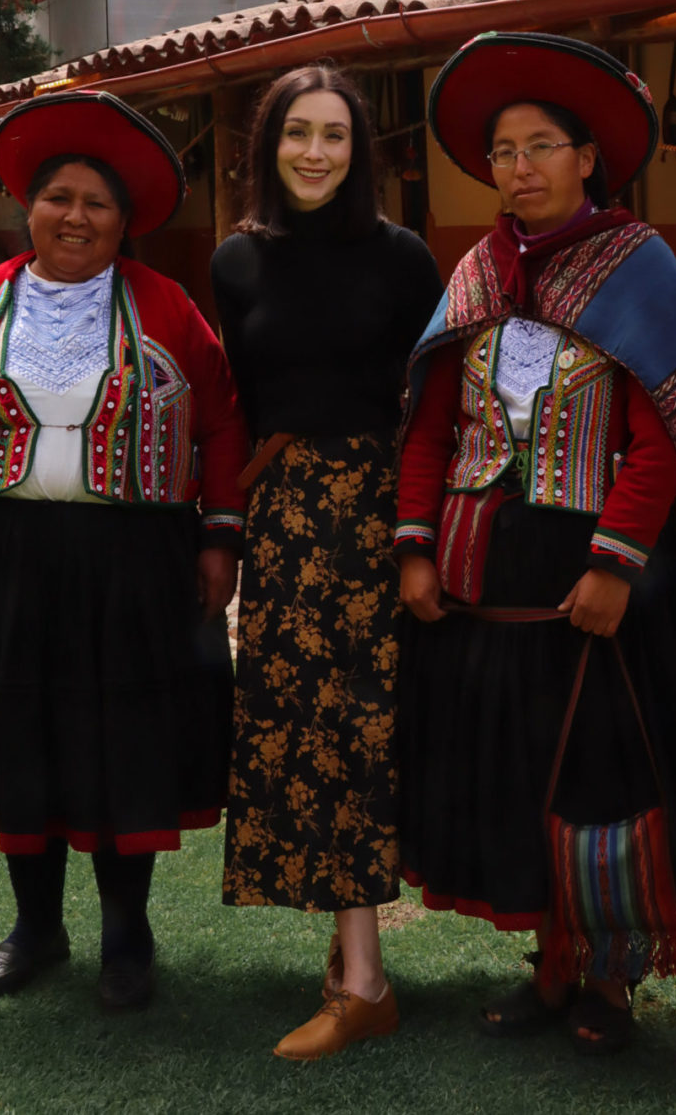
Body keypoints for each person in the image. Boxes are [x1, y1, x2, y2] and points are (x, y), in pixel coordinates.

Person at [395, 33, 676, 1055]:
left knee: (603, 778)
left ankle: (609, 979)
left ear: (587, 157)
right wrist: (417, 547)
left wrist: (613, 564)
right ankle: (549, 966)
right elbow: (433, 427)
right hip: (487, 583)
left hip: (603, 579)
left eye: (541, 147)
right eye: (504, 152)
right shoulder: (478, 272)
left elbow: (656, 441)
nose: (520, 169)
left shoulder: (636, 264)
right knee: (518, 771)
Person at [0, 90, 250, 1011]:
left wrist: (219, 539)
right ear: (26, 208)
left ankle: (129, 936)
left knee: (120, 741)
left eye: (97, 203)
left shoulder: (167, 309)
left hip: (129, 563)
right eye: (58, 198)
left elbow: (224, 428)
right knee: (20, 741)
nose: (75, 216)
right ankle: (35, 930)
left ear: (124, 221)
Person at [211, 64, 442, 1060]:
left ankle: (367, 983)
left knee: (360, 733)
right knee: (300, 731)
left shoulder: (402, 259)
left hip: (375, 521)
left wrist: (419, 534)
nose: (315, 152)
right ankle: (350, 961)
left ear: (361, 151)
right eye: (297, 133)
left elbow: (438, 405)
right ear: (269, 146)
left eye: (335, 136)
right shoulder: (235, 262)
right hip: (281, 524)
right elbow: (236, 405)